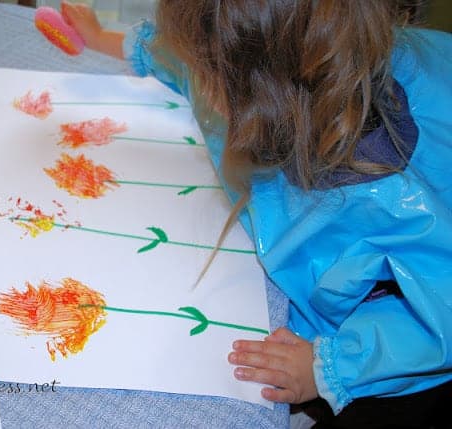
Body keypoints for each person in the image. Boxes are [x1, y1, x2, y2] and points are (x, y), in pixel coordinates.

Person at [58, 1, 452, 427]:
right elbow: (182, 59)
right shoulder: (266, 60)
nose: (199, 82)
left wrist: (330, 368)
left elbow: (439, 312)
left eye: (209, 75)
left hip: (395, 354)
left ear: (256, 93)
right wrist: (101, 39)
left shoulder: (391, 196)